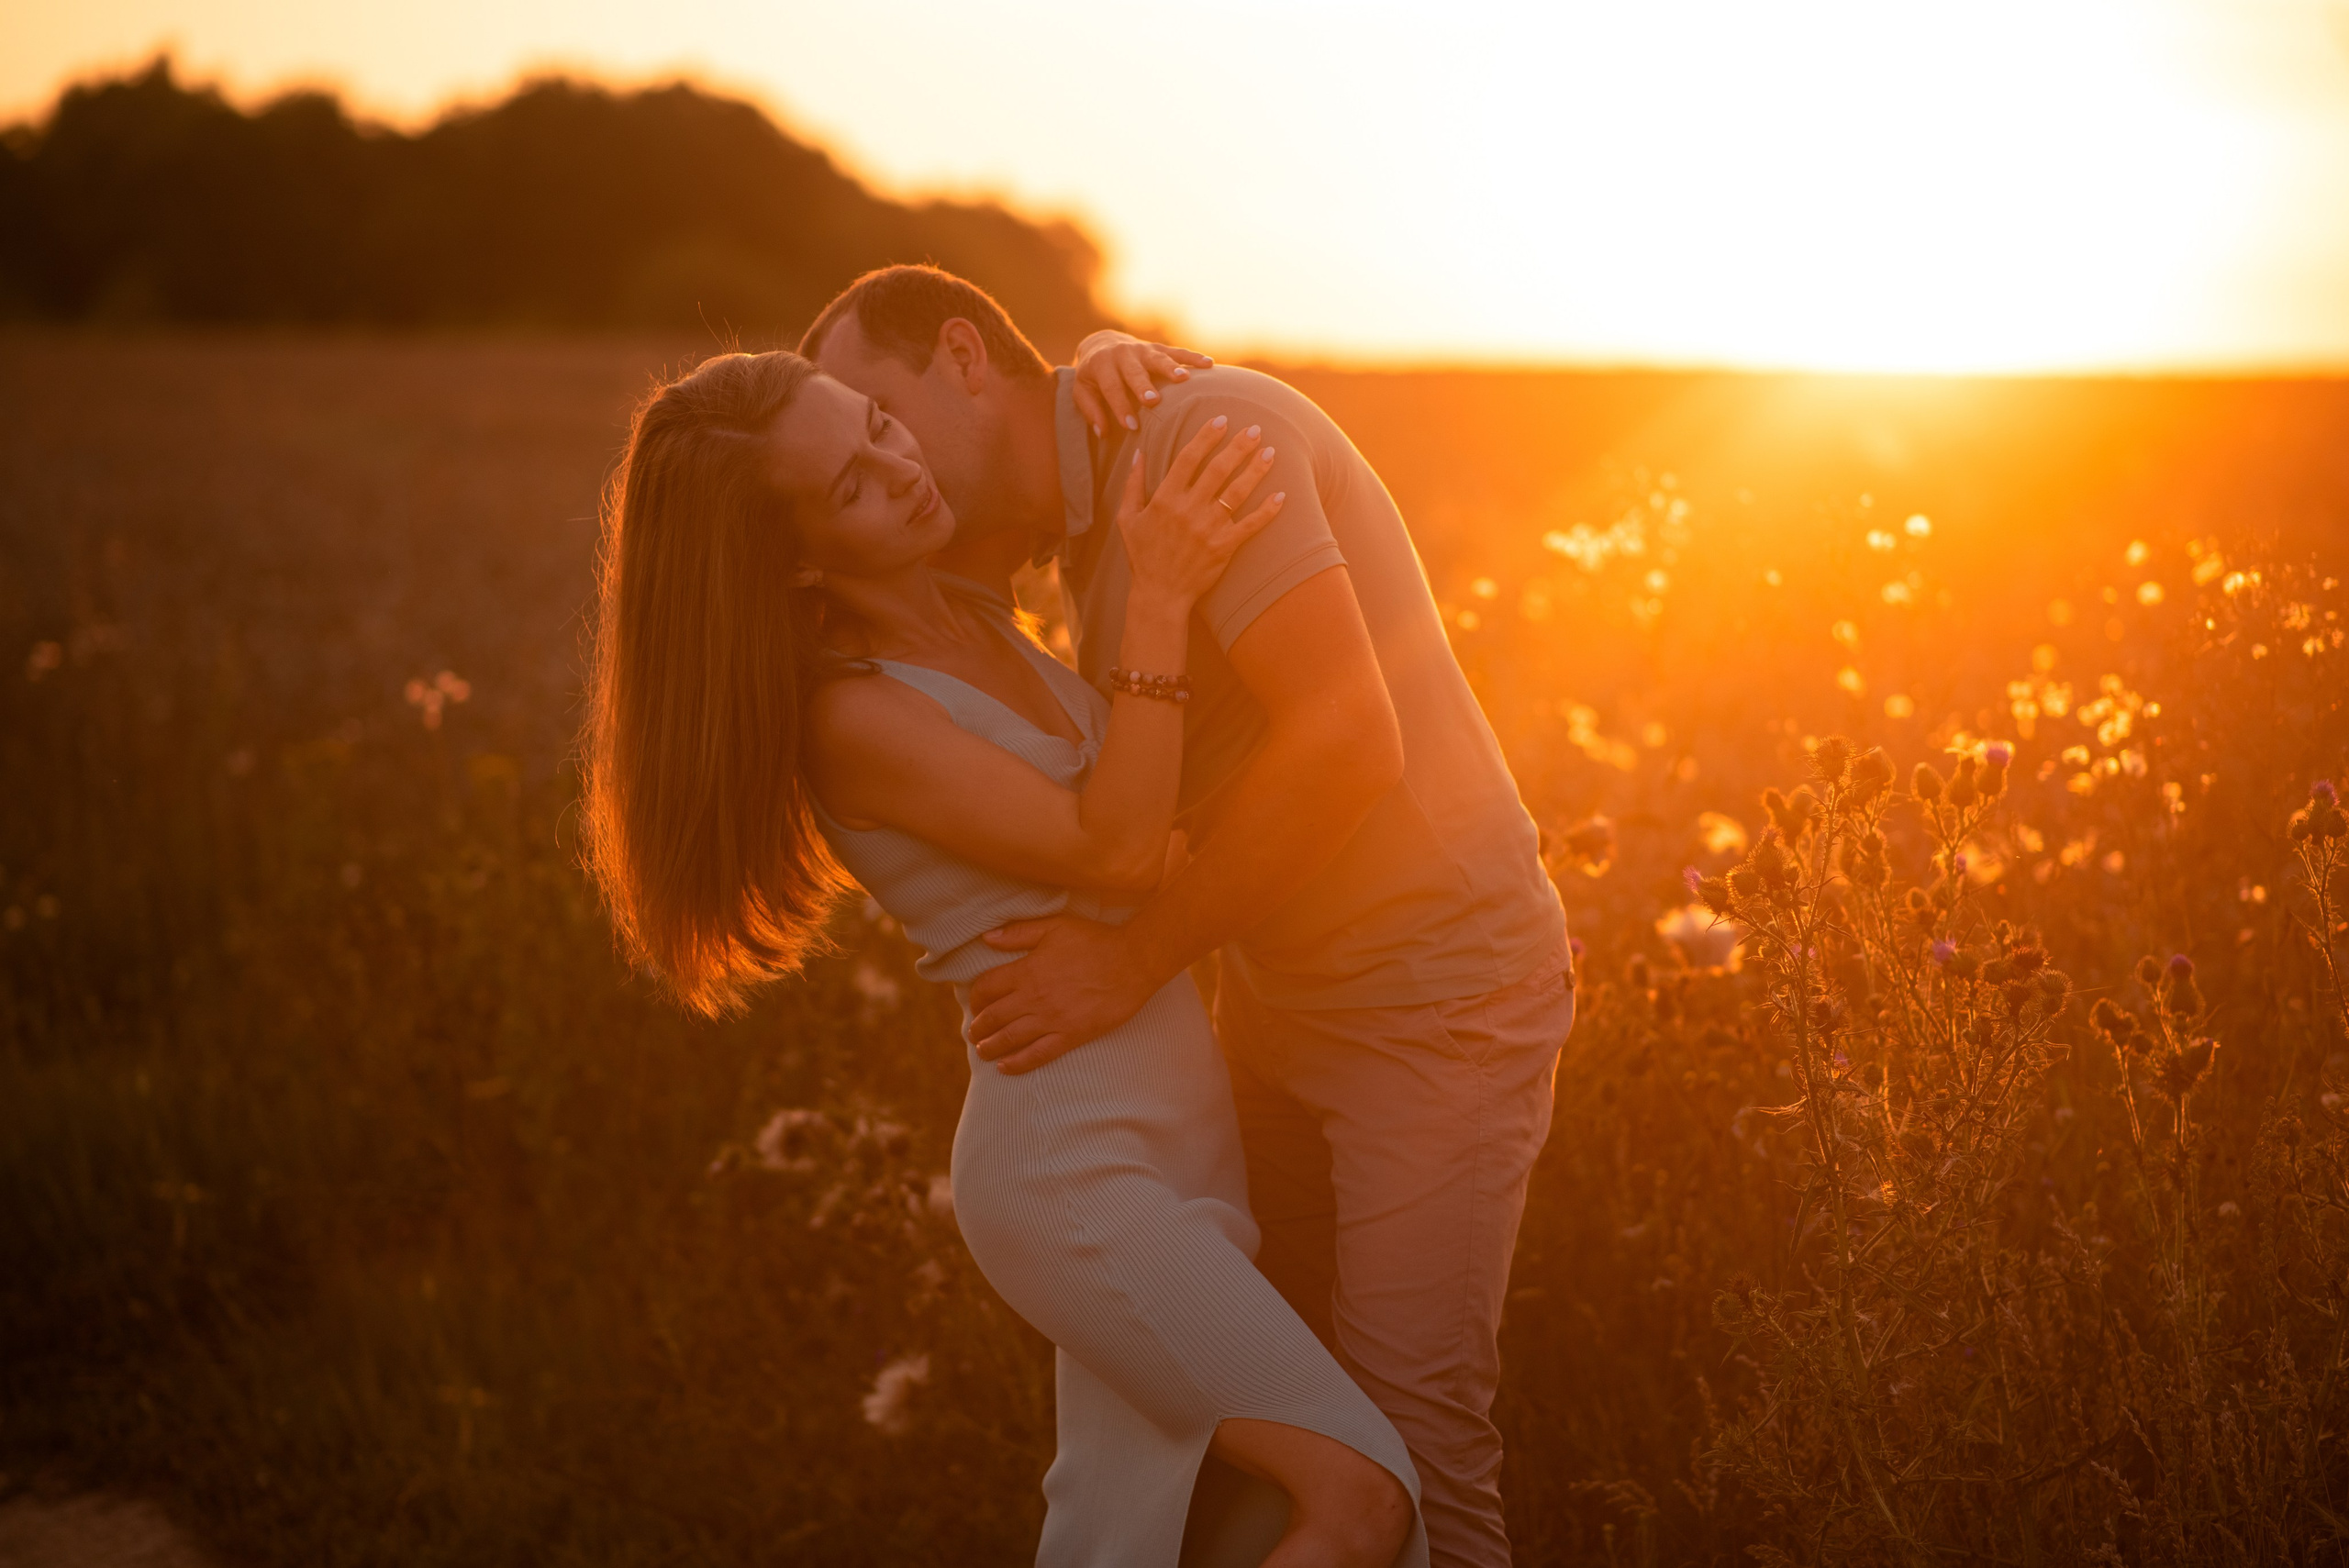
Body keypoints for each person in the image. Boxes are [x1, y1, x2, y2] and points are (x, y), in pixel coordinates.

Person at [579, 347, 1426, 1568]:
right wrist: (1163, 596)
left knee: (1160, 1533)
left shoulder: (976, 611)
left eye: (877, 422)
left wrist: (1098, 359)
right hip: (1072, 1165)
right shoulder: (854, 718)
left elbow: (1016, 428)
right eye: (855, 485)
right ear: (799, 562)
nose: (902, 467)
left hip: (1178, 1131)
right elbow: (1123, 843)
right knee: (1359, 1500)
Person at [806, 267, 1574, 1568]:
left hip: (1437, 1001)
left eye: (878, 412)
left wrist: (1134, 961)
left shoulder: (1195, 443)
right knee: (1265, 1465)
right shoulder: (1085, 526)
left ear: (962, 356)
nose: (883, 462)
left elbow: (1345, 745)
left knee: (1413, 1459)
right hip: (1277, 1011)